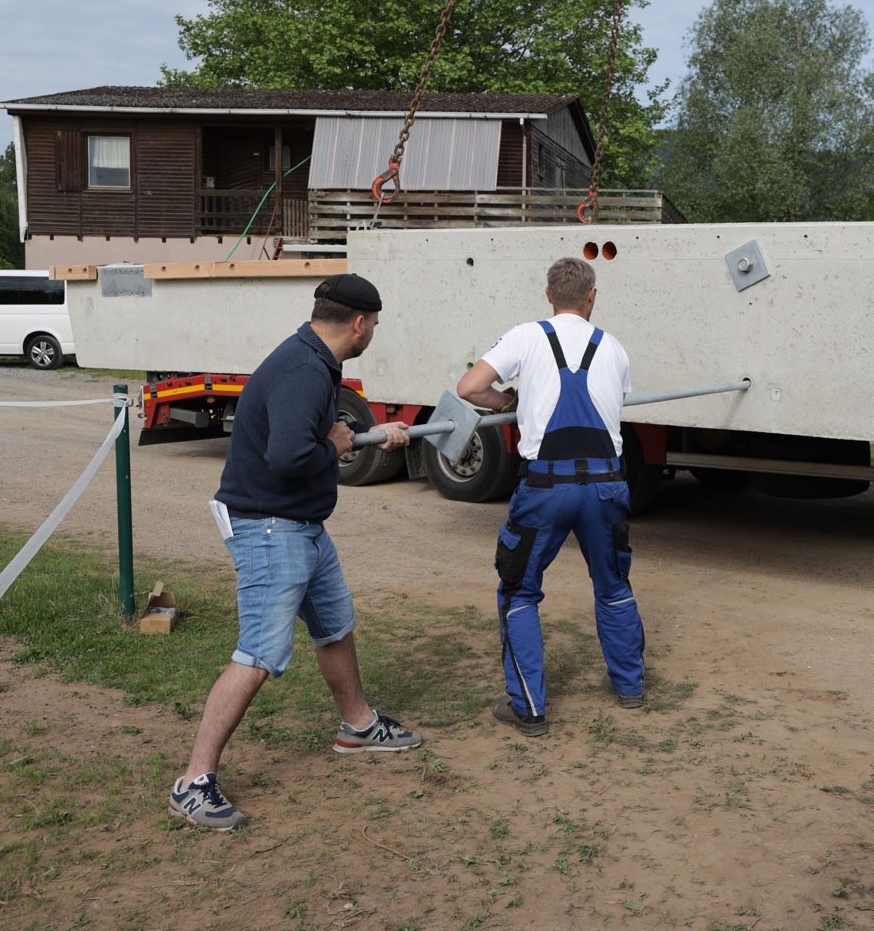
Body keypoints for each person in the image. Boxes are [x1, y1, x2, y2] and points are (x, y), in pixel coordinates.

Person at [168, 273, 421, 831]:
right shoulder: (306, 369)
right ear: (360, 323)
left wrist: (365, 433)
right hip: (269, 528)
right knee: (258, 655)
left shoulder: (312, 358)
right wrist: (334, 444)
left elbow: (309, 431)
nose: (374, 331)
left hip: (301, 524)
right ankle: (194, 782)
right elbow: (288, 456)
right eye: (375, 324)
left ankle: (358, 726)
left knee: (334, 625)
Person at [456, 256, 643, 737]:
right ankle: (629, 688)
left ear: (548, 295)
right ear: (591, 297)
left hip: (545, 487)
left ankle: (529, 709)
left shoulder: (525, 336)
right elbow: (615, 406)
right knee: (613, 585)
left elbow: (470, 388)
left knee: (519, 591)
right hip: (605, 484)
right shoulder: (613, 346)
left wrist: (512, 403)